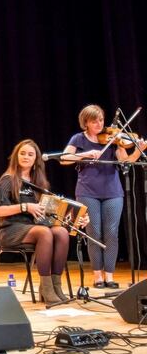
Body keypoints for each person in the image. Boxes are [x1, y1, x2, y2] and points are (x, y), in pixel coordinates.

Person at [0, 139, 89, 306]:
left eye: (30, 154)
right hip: (9, 229)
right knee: (44, 232)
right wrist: (25, 206)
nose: (26, 157)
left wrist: (77, 218)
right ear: (16, 156)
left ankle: (55, 286)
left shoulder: (39, 183)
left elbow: (50, 215)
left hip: (35, 227)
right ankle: (46, 287)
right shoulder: (8, 179)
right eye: (22, 153)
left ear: (36, 158)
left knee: (61, 232)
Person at [61, 105, 146, 288]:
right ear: (86, 123)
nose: (99, 124)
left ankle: (109, 276)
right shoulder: (78, 138)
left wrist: (138, 150)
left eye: (101, 119)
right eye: (94, 121)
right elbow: (64, 159)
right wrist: (85, 154)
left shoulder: (113, 139)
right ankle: (97, 275)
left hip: (113, 192)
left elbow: (125, 162)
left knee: (111, 234)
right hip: (87, 192)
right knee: (94, 233)